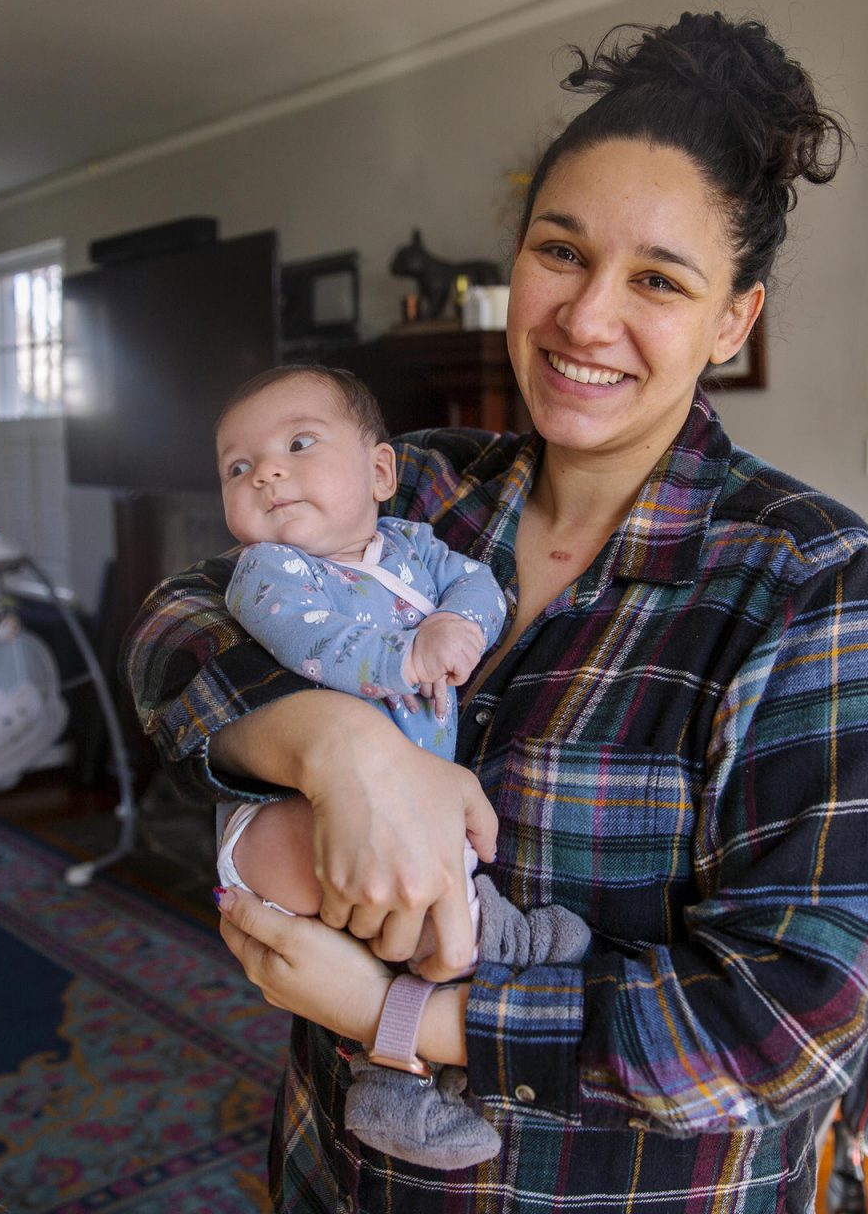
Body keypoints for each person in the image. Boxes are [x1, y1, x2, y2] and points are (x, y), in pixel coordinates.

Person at [124, 11, 868, 1213]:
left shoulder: (807, 579)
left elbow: (791, 1024)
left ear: (733, 321)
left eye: (658, 279)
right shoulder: (432, 489)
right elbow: (177, 620)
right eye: (562, 253)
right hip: (337, 1175)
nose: (586, 318)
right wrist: (336, 748)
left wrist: (409, 1012)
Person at [210, 362, 594, 1167]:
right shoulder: (269, 572)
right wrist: (406, 652)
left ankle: (402, 1074)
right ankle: (488, 939)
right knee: (390, 905)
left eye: (298, 444)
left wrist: (457, 619)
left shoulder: (417, 548)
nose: (266, 472)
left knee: (409, 915)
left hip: (403, 807)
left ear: (381, 471)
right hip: (286, 819)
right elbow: (314, 642)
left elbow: (480, 585)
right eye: (238, 468)